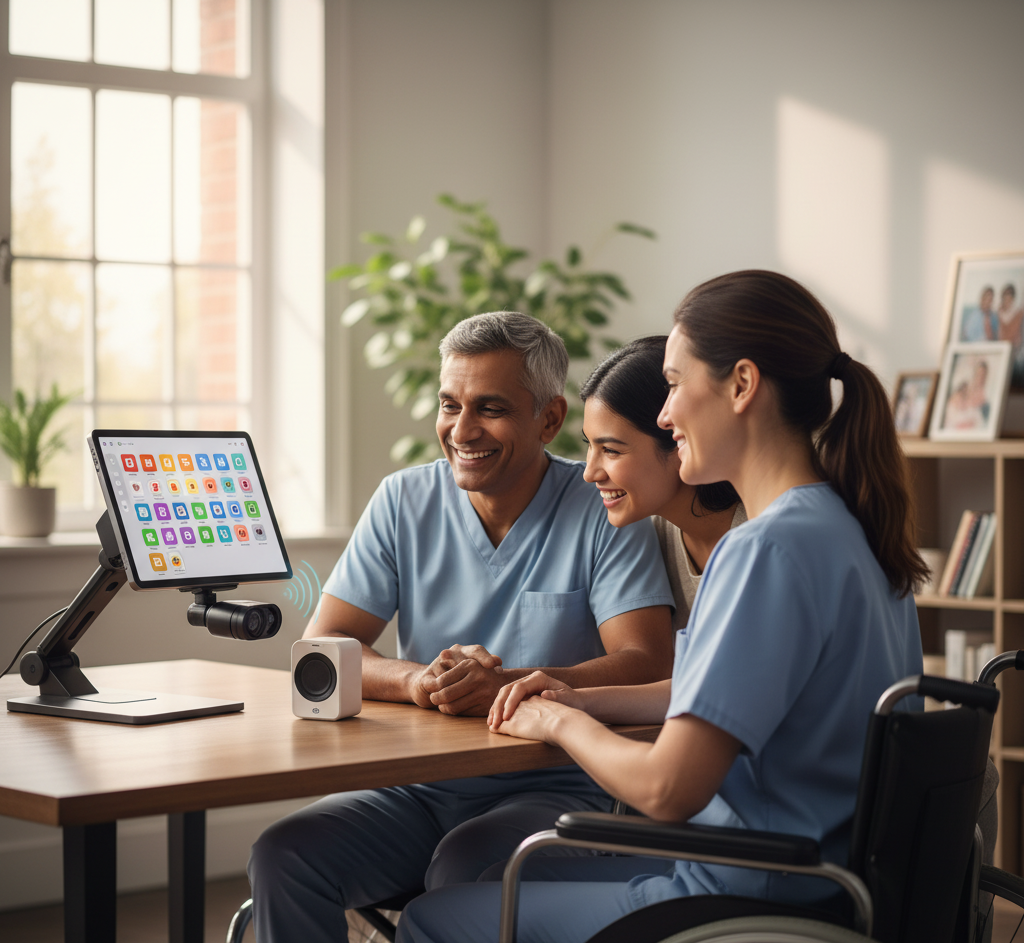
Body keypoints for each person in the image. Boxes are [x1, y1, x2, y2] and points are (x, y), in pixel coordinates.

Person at [396, 270, 927, 943]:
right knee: (494, 876)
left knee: (431, 919)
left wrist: (560, 722)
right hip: (822, 882)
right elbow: (720, 692)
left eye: (674, 383)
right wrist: (581, 697)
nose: (667, 411)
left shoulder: (763, 550)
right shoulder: (852, 527)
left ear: (741, 384)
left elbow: (668, 787)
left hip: (745, 893)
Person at [247, 311, 677, 943]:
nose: (462, 429)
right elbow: (323, 649)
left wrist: (511, 683)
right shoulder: (403, 500)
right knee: (284, 853)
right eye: (451, 405)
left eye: (492, 408)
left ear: (550, 419)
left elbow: (648, 659)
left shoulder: (604, 506)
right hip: (418, 788)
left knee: (464, 866)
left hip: (557, 787)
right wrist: (419, 680)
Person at [578, 336, 745, 629]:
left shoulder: (763, 535)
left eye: (611, 450)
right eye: (589, 446)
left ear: (679, 438)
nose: (590, 473)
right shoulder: (650, 536)